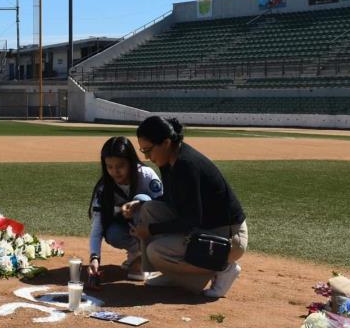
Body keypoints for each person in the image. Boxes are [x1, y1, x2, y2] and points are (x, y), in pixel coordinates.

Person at [128, 116, 248, 298]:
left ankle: (223, 268)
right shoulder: (169, 160)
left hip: (228, 238)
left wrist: (150, 230)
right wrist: (141, 203)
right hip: (206, 228)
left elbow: (191, 219)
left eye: (148, 150)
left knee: (157, 251)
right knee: (149, 209)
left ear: (166, 142)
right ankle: (174, 276)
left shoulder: (186, 165)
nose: (147, 157)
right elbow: (171, 198)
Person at [88, 136, 164, 281]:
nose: (115, 172)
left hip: (154, 230)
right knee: (112, 233)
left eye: (120, 166)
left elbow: (164, 208)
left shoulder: (147, 176)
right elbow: (97, 226)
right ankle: (137, 253)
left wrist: (139, 204)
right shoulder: (104, 188)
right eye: (109, 167)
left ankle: (150, 257)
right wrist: (94, 258)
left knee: (142, 199)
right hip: (129, 228)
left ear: (131, 162)